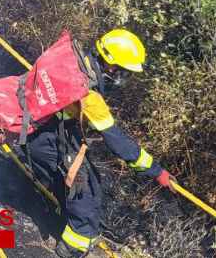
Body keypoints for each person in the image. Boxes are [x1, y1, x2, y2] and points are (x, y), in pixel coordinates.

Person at [26, 29, 173, 257]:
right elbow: (117, 142)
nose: (123, 78)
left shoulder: (75, 60)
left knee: (80, 183)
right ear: (112, 66)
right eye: (124, 73)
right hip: (48, 139)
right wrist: (156, 171)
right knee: (86, 195)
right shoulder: (88, 93)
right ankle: (71, 249)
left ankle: (66, 220)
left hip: (39, 129)